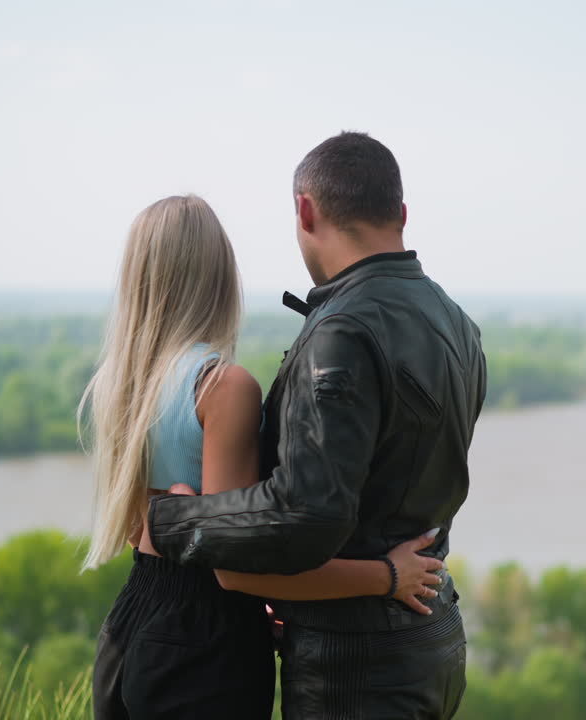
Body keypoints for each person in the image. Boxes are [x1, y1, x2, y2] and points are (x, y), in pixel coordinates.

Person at [146, 132, 487, 719]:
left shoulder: (343, 331)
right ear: (400, 214)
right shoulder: (456, 322)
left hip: (357, 667)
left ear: (305, 210)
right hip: (432, 638)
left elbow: (307, 515)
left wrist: (173, 519)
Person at [79, 194, 446, 719]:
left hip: (130, 621)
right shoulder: (221, 387)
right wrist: (388, 576)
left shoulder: (120, 381)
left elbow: (147, 529)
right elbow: (234, 571)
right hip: (204, 641)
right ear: (221, 276)